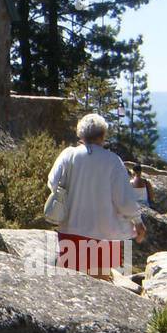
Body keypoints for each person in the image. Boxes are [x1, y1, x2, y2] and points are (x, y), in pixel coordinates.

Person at [47, 114, 148, 280]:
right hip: (103, 234)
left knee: (71, 284)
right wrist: (137, 221)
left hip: (70, 229)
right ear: (102, 136)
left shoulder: (68, 155)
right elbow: (124, 199)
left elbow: (53, 182)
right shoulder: (113, 161)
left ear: (81, 135)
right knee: (99, 284)